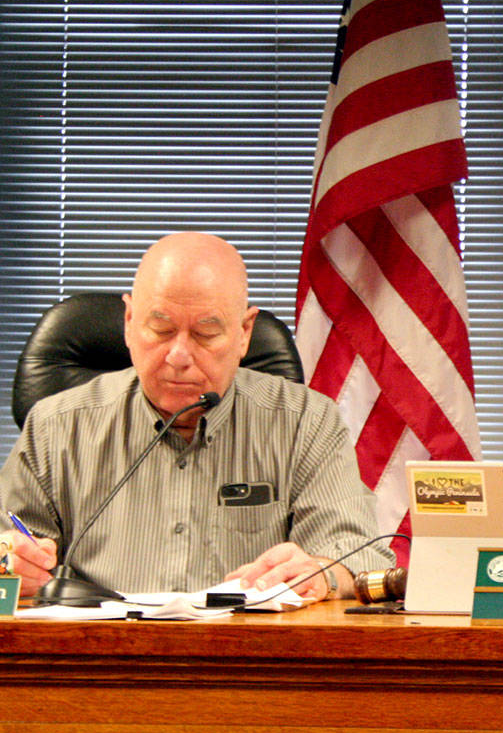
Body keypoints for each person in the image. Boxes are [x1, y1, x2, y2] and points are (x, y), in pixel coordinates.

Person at [0, 232, 394, 600]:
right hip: (97, 646)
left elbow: (359, 555)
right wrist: (10, 564)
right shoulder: (56, 426)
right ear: (129, 323)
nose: (179, 356)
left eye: (205, 334)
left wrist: (323, 572)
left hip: (250, 647)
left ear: (244, 333)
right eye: (160, 329)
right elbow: (10, 548)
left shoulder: (305, 422)